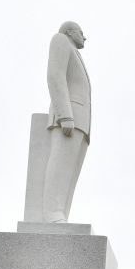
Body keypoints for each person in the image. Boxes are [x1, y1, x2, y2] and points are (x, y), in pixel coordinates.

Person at [43, 21, 91, 223]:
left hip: (81, 121)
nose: (85, 37)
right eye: (82, 32)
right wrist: (65, 115)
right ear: (70, 32)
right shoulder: (61, 40)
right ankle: (52, 214)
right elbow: (55, 76)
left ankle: (61, 214)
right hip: (69, 117)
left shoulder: (75, 52)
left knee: (70, 173)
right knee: (60, 166)